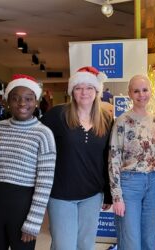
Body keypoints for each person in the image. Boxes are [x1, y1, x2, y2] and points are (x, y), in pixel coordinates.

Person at [41, 66, 113, 250]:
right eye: (79, 87)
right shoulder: (57, 115)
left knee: (86, 245)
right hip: (61, 194)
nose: (84, 92)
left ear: (97, 90)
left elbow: (107, 157)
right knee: (64, 245)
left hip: (92, 194)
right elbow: (37, 143)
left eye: (89, 87)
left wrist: (108, 193)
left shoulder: (105, 119)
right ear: (72, 91)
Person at [0, 75, 56, 250]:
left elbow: (45, 182)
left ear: (36, 102)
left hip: (24, 208)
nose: (22, 104)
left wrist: (33, 221)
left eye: (28, 99)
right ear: (8, 102)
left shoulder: (43, 134)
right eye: (15, 98)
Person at [109, 75, 155, 250]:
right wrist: (117, 196)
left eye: (145, 90)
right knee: (130, 239)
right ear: (130, 94)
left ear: (150, 91)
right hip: (129, 183)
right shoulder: (122, 122)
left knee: (149, 238)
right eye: (136, 91)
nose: (141, 95)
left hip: (153, 183)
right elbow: (113, 158)